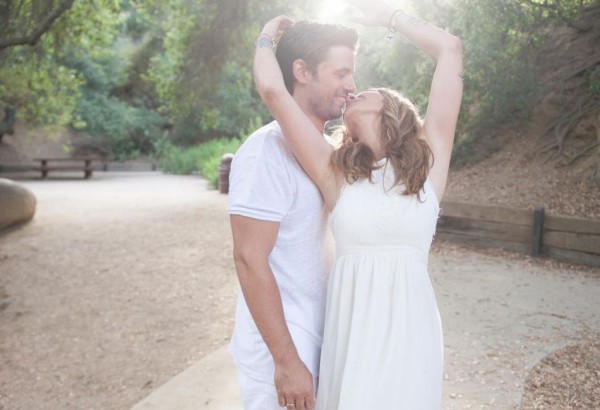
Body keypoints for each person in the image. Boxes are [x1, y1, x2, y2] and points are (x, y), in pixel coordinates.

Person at [254, 0, 463, 407]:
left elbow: (450, 49)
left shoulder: (429, 161)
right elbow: (273, 92)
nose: (350, 90)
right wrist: (267, 36)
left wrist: (388, 17)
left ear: (390, 107)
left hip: (412, 335)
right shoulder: (334, 173)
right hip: (352, 333)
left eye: (361, 90)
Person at [227, 21, 359, 410]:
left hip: (319, 343)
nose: (351, 85)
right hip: (281, 354)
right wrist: (286, 362)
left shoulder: (324, 152)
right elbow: (249, 259)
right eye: (341, 73)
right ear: (302, 71)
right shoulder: (265, 151)